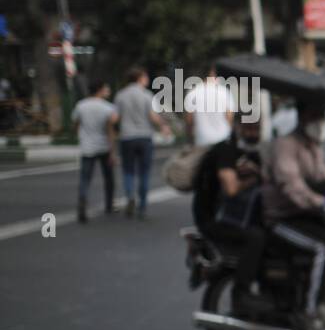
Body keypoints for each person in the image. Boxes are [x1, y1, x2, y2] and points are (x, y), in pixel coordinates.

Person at [261, 98, 325, 330]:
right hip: (281, 218)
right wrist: (322, 202)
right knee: (322, 249)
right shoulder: (286, 145)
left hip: (304, 214)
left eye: (322, 117)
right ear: (303, 117)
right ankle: (307, 313)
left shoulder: (312, 145)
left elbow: (322, 175)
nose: (321, 123)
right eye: (316, 117)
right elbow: (291, 185)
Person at [193, 115, 270, 313]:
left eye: (257, 128)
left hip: (238, 214)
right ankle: (241, 295)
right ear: (237, 127)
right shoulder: (227, 151)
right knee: (257, 238)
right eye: (249, 128)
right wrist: (254, 178)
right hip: (214, 219)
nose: (254, 133)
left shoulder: (251, 152)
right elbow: (231, 189)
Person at [114, 67, 171, 219]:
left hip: (127, 137)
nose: (147, 79)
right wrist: (163, 126)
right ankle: (143, 205)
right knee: (144, 172)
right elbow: (153, 116)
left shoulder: (121, 95)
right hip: (144, 137)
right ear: (140, 78)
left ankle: (130, 196)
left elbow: (115, 117)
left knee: (128, 170)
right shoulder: (147, 95)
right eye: (145, 76)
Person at [71, 81, 119, 223]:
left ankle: (83, 199)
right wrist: (113, 151)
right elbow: (110, 131)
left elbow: (75, 124)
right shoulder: (108, 108)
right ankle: (109, 204)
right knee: (109, 178)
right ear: (100, 90)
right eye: (106, 88)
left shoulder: (81, 105)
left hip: (87, 146)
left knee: (85, 178)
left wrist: (80, 133)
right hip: (104, 146)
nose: (108, 90)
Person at [184, 66, 234, 147]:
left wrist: (190, 137)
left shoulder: (192, 92)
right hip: (223, 138)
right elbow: (229, 118)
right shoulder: (224, 92)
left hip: (202, 140)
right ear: (213, 73)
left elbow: (189, 120)